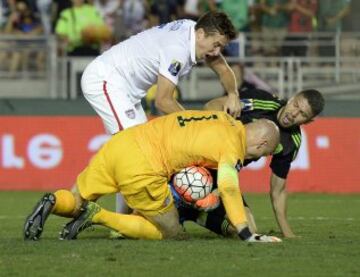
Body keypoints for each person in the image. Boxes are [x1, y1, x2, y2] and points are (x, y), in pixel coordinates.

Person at [24, 110, 281, 242]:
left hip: (122, 142)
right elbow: (229, 189)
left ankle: (52, 201)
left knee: (74, 199)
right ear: (262, 143)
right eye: (263, 152)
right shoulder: (232, 146)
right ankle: (98, 215)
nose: (256, 156)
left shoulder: (223, 118)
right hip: (143, 165)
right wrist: (247, 233)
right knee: (170, 233)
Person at [80, 11, 241, 214]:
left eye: (221, 46)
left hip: (127, 91)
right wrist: (196, 126)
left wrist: (233, 94)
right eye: (216, 44)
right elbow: (163, 101)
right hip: (107, 80)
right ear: (201, 34)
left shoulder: (195, 31)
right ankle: (77, 202)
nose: (217, 51)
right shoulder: (178, 49)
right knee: (134, 153)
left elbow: (223, 69)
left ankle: (122, 220)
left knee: (137, 155)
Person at [201, 88, 325, 238]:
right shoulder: (261, 101)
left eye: (302, 114)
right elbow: (211, 106)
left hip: (225, 174)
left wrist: (288, 233)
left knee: (249, 230)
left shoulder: (291, 143)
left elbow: (277, 191)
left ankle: (199, 216)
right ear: (291, 99)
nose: (294, 114)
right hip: (202, 155)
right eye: (296, 105)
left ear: (308, 121)